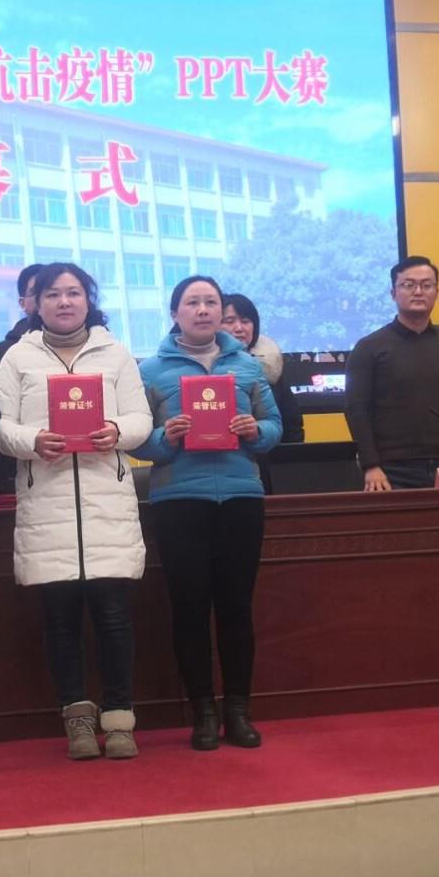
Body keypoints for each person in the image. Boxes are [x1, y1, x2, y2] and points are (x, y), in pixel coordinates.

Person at [0, 263, 152, 760]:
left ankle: (120, 720)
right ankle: (77, 720)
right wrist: (32, 440)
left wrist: (117, 431)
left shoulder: (116, 353)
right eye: (53, 294)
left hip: (107, 503)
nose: (64, 302)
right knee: (60, 621)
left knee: (114, 618)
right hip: (47, 503)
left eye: (74, 293)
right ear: (35, 303)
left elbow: (141, 418)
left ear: (88, 300)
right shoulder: (17, 357)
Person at [133, 276, 281, 750]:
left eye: (211, 302)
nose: (202, 310)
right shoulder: (150, 370)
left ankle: (238, 710)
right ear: (174, 313)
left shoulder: (248, 366)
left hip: (240, 496)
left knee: (236, 607)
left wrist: (255, 430)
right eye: (192, 302)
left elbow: (275, 426)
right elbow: (138, 440)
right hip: (179, 500)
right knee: (190, 608)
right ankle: (203, 711)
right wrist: (166, 437)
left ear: (221, 311)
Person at [345, 256, 439, 491]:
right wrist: (371, 465)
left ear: (437, 292)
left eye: (427, 285)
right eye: (409, 285)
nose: (418, 291)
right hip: (389, 470)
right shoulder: (369, 347)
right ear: (393, 293)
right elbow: (356, 409)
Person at [0, 262, 44, 495]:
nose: (48, 300)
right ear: (22, 302)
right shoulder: (2, 354)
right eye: (38, 293)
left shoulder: (93, 349)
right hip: (15, 474)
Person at [222, 293, 303, 444]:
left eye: (246, 321)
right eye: (229, 321)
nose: (239, 328)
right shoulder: (205, 366)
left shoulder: (270, 367)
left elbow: (292, 426)